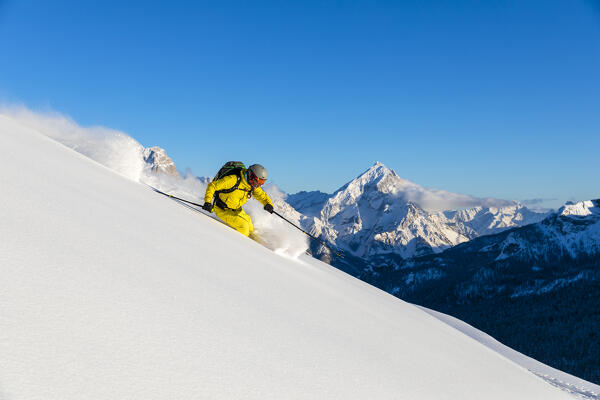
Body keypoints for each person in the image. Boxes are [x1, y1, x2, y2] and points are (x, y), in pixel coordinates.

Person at [202, 163, 274, 237]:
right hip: (222, 209)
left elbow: (262, 196)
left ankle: (254, 243)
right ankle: (239, 245)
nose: (260, 185)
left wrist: (268, 204)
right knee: (243, 226)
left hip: (236, 209)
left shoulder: (252, 185)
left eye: (262, 182)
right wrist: (207, 202)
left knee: (249, 224)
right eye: (259, 181)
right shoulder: (233, 179)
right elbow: (212, 186)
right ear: (252, 176)